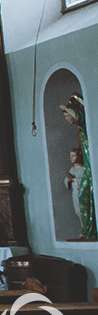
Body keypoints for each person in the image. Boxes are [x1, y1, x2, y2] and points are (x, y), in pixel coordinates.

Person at [61, 93, 96, 240]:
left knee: (85, 196)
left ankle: (89, 231)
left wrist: (67, 108)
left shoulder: (84, 124)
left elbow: (81, 117)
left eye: (68, 116)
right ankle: (86, 231)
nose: (68, 120)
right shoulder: (80, 129)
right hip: (88, 167)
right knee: (81, 202)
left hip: (90, 165)